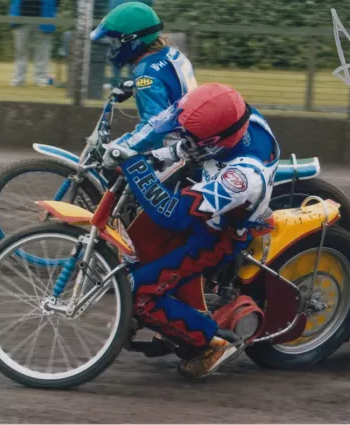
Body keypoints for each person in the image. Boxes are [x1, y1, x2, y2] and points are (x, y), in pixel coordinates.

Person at [102, 83, 280, 379]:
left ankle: (214, 343)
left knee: (136, 293)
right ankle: (175, 316)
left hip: (214, 237)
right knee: (137, 249)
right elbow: (188, 145)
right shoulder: (234, 111)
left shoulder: (244, 176)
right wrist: (150, 154)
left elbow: (173, 216)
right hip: (203, 203)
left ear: (216, 141)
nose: (184, 135)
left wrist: (133, 164)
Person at [90, 1, 198, 152]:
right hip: (191, 137)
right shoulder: (171, 53)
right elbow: (171, 88)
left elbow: (155, 126)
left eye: (115, 42)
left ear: (132, 40)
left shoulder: (146, 73)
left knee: (111, 157)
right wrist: (135, 87)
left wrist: (122, 148)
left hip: (172, 149)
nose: (112, 47)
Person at [9, 0, 59, 86]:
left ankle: (41, 79)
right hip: (20, 19)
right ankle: (18, 79)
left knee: (42, 52)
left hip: (44, 19)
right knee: (20, 51)